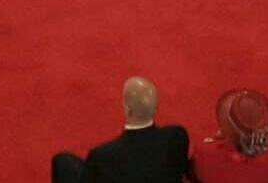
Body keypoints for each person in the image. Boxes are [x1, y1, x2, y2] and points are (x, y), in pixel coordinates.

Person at [57, 78, 194, 183]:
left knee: (62, 161)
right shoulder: (177, 136)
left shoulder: (102, 156)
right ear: (156, 106)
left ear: (127, 110)